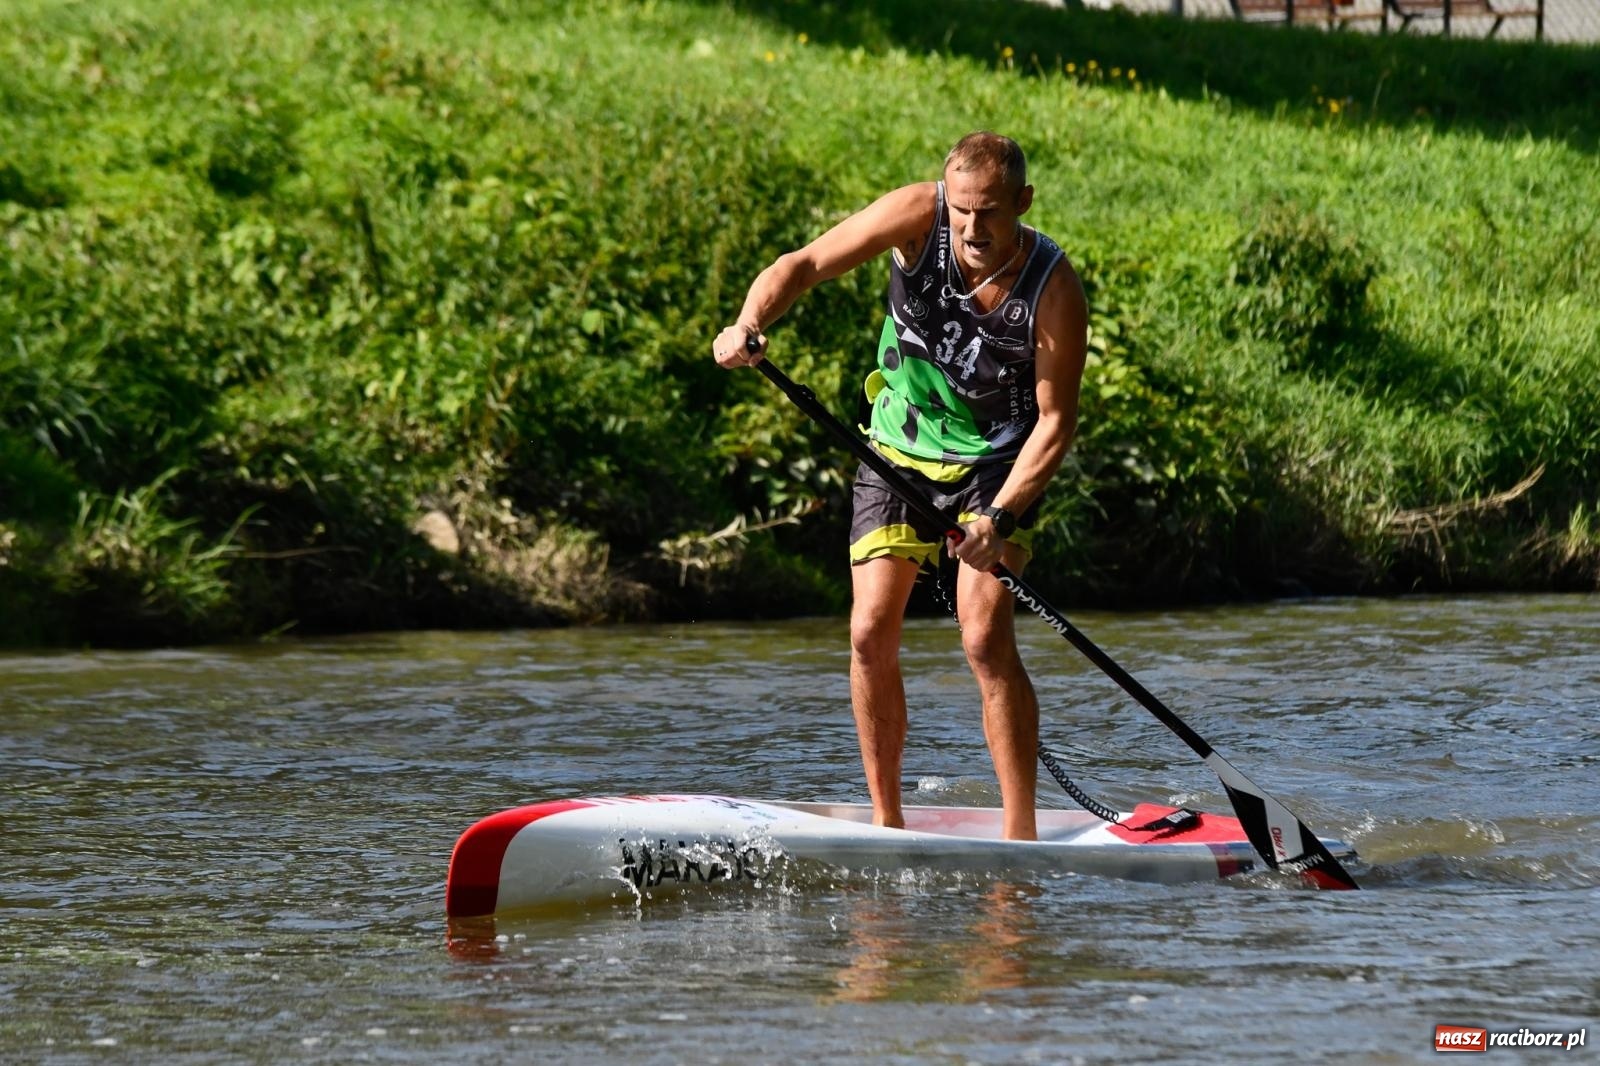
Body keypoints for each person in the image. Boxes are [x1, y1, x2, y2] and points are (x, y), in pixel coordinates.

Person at [712, 131, 1088, 841]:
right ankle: (887, 823)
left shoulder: (1053, 287)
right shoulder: (917, 215)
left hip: (996, 466)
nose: (972, 228)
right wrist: (748, 323)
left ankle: (1022, 838)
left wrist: (1000, 518)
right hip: (898, 450)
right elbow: (803, 264)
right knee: (867, 632)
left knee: (984, 638)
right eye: (962, 210)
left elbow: (1055, 423)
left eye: (990, 212)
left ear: (1024, 202)